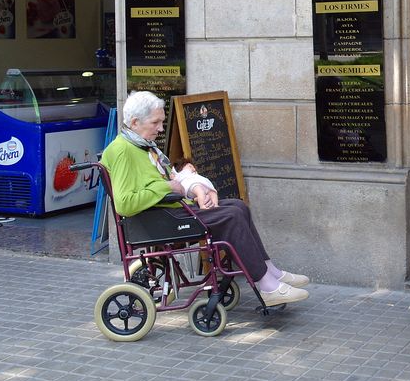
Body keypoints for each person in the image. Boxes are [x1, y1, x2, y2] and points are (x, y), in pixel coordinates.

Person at [102, 91, 310, 305]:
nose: (161, 129)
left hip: (169, 211)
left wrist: (199, 190)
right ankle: (267, 285)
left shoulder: (141, 145)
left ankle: (269, 271)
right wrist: (165, 188)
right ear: (135, 122)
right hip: (160, 219)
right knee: (230, 216)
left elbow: (175, 181)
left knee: (238, 207)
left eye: (162, 122)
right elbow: (125, 203)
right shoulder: (123, 151)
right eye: (156, 123)